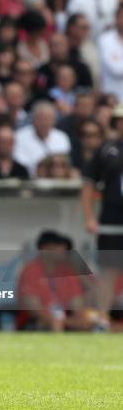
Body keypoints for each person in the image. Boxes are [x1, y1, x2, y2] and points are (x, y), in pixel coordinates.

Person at [81, 106, 123, 331]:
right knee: (109, 268)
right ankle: (102, 317)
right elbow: (88, 185)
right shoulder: (106, 150)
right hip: (112, 215)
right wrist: (89, 217)